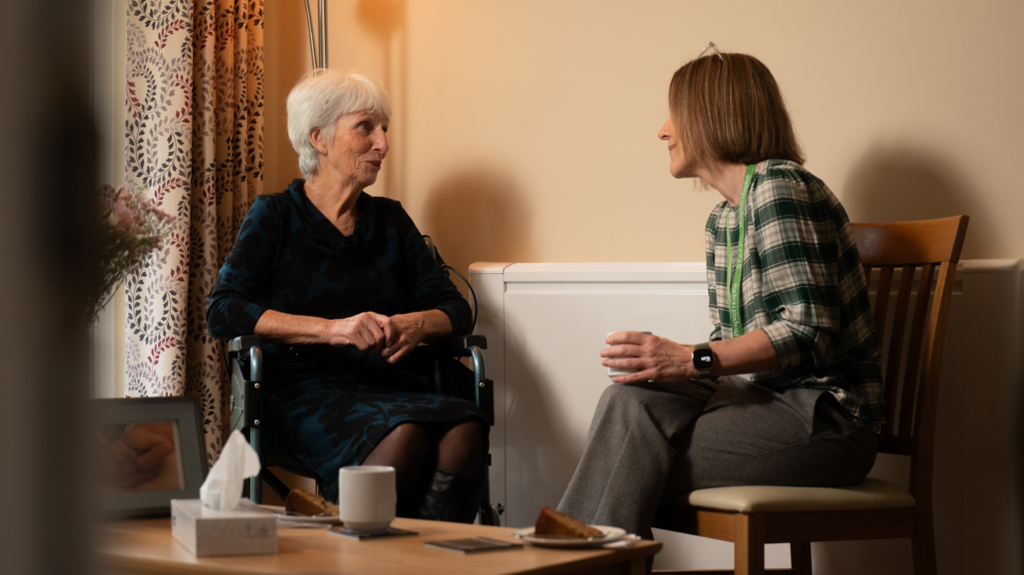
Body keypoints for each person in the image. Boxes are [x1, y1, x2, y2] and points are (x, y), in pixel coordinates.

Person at [557, 43, 885, 541]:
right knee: (628, 405)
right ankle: (582, 560)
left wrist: (689, 359)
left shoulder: (780, 188)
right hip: (766, 404)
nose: (663, 130)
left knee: (633, 457)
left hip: (828, 421)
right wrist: (664, 369)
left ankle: (568, 559)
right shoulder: (723, 220)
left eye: (675, 114)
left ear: (711, 116)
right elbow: (731, 345)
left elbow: (809, 334)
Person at [207, 70, 487, 523]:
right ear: (318, 138)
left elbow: (454, 309)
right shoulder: (275, 216)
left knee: (465, 424)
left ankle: (424, 563)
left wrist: (414, 324)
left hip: (392, 383)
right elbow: (223, 310)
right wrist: (332, 330)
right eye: (366, 127)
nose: (383, 143)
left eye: (384, 130)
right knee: (408, 432)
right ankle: (355, 557)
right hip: (304, 389)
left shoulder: (390, 220)